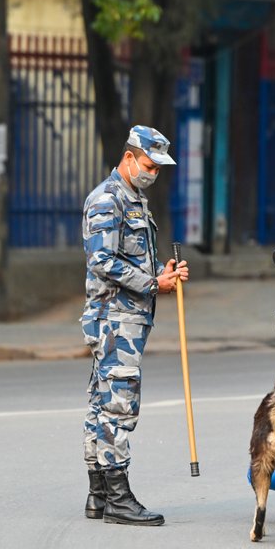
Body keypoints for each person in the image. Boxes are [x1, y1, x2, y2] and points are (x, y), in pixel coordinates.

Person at [80, 125, 189, 527]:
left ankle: (99, 495)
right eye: (148, 165)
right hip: (113, 318)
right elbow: (102, 261)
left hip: (125, 316)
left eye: (159, 169)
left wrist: (162, 272)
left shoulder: (134, 199)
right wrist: (152, 283)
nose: (153, 174)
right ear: (129, 157)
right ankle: (119, 498)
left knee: (101, 403)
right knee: (118, 405)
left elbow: (129, 258)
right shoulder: (107, 200)